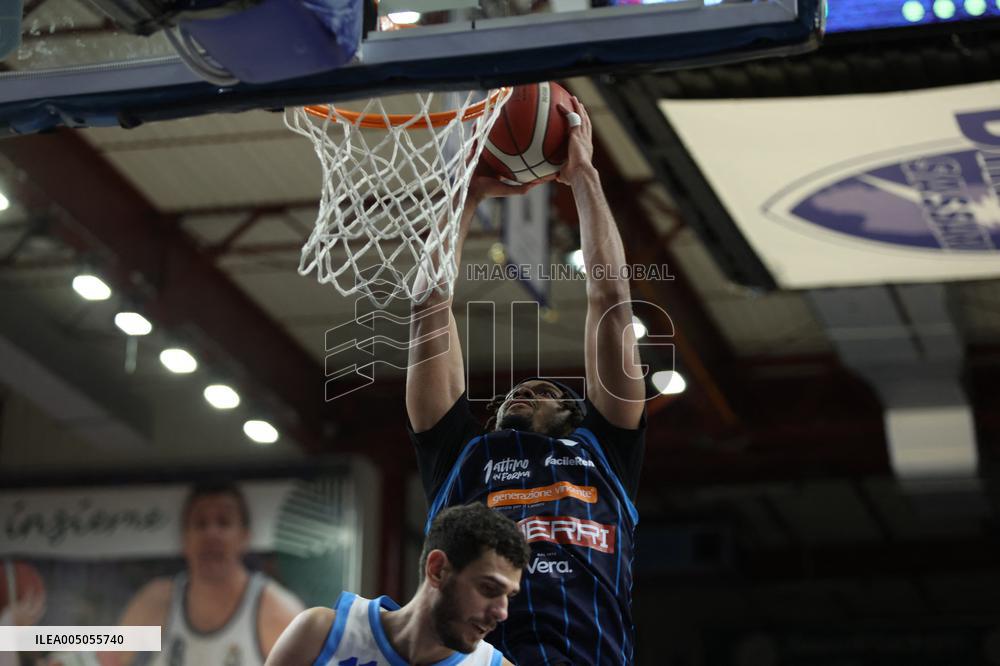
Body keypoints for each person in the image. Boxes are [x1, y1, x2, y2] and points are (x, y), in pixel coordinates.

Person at [406, 95, 646, 665]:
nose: (525, 390)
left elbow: (610, 297)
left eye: (548, 392)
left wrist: (584, 175)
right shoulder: (460, 454)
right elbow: (428, 306)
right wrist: (464, 196)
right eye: (517, 391)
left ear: (575, 416)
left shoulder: (603, 449)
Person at [265, 502, 528, 666]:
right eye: (489, 589)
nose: (502, 612)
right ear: (437, 570)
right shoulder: (320, 634)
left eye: (509, 596)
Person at [101, 482, 304, 666]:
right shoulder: (157, 601)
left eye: (223, 522)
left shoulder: (276, 612)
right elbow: (103, 658)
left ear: (245, 537)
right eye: (200, 523)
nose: (211, 534)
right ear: (185, 539)